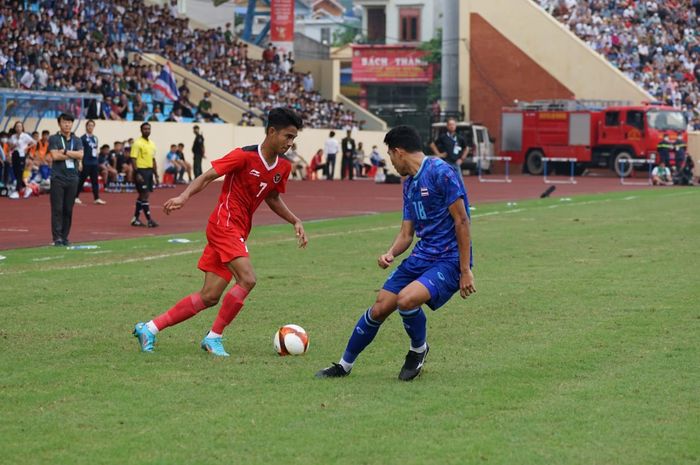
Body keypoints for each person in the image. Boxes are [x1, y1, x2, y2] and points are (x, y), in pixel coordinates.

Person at [132, 107, 308, 356]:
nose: (290, 143)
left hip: (238, 230)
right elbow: (207, 176)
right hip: (224, 225)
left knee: (209, 296)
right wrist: (184, 196)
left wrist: (295, 220)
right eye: (287, 136)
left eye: (294, 138)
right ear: (271, 132)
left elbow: (272, 197)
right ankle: (214, 337)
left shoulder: (283, 168)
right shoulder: (243, 156)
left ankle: (149, 328)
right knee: (247, 279)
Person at [316, 125, 475, 381]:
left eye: (390, 156)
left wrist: (465, 270)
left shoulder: (440, 172)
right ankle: (344, 366)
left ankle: (418, 350)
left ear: (398, 152)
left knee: (406, 300)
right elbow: (406, 234)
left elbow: (462, 221)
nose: (390, 163)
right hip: (421, 256)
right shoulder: (409, 183)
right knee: (379, 308)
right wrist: (390, 253)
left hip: (448, 259)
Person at [48, 113, 83, 246]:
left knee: (68, 209)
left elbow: (80, 155)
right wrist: (72, 155)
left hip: (73, 178)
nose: (67, 124)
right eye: (64, 122)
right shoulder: (54, 138)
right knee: (57, 209)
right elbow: (54, 156)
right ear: (59, 123)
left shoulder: (77, 139)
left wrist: (65, 152)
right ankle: (57, 238)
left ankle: (65, 236)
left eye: (69, 122)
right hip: (58, 178)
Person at [130, 122, 160, 227]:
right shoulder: (137, 143)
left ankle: (135, 219)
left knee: (143, 195)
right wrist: (137, 173)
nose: (147, 130)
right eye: (145, 129)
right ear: (141, 130)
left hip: (149, 171)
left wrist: (156, 174)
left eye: (148, 129)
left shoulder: (152, 143)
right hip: (141, 171)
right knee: (145, 195)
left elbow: (153, 159)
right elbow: (133, 159)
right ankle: (149, 220)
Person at [430, 118, 467, 188]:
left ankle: (462, 197)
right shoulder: (443, 137)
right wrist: (439, 154)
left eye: (453, 124)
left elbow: (466, 148)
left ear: (455, 126)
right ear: (447, 126)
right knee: (444, 181)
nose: (452, 126)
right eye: (450, 125)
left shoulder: (459, 138)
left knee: (460, 182)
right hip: (446, 162)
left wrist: (462, 159)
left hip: (456, 163)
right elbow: (432, 145)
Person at [75, 120, 106, 205]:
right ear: (86, 126)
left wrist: (97, 161)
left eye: (92, 125)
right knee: (82, 180)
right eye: (89, 125)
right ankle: (76, 197)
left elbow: (95, 150)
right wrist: (80, 162)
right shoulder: (83, 138)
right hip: (86, 162)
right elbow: (80, 151)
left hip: (94, 163)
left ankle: (96, 198)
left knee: (95, 181)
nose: (90, 127)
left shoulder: (95, 138)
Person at [8, 121, 37, 198]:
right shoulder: (13, 136)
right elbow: (10, 147)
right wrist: (13, 146)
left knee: (20, 172)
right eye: (17, 126)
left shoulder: (25, 136)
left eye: (20, 126)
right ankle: (27, 188)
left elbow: (34, 142)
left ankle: (17, 191)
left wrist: (26, 148)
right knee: (15, 172)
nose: (18, 128)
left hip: (21, 155)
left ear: (22, 128)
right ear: (15, 128)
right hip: (15, 155)